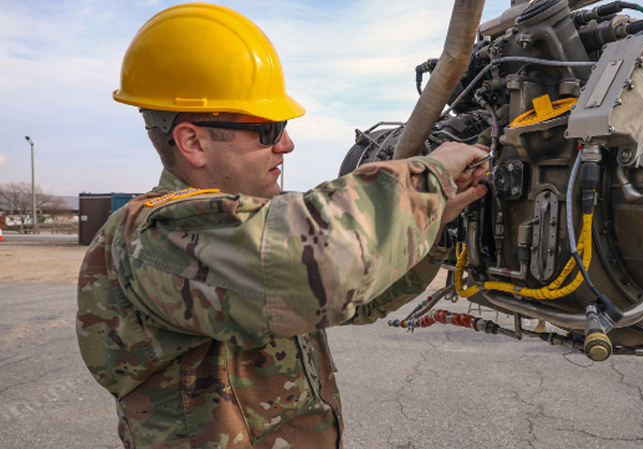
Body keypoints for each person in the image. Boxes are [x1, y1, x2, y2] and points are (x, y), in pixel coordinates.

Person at [76, 3, 489, 448]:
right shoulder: (152, 237)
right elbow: (325, 268)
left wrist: (437, 224)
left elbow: (359, 298)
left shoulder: (247, 223)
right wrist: (430, 178)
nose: (287, 145)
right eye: (270, 129)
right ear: (193, 141)